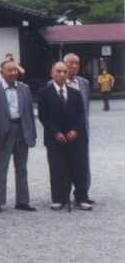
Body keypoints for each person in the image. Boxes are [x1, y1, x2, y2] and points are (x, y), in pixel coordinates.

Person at [37, 62, 91, 211]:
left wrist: (75, 130)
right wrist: (56, 132)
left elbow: (81, 114)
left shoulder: (75, 93)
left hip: (75, 137)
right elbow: (43, 116)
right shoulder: (44, 93)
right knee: (57, 168)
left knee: (79, 167)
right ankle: (58, 198)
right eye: (58, 71)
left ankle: (81, 197)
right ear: (52, 73)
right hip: (55, 137)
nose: (62, 74)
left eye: (65, 72)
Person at [0, 59, 37, 213]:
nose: (14, 73)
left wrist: (33, 134)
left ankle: (23, 201)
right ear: (2, 73)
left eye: (15, 70)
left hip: (22, 130)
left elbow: (29, 112)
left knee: (22, 168)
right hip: (4, 132)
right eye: (10, 70)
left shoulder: (24, 89)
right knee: (1, 168)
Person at [63, 53, 93, 203]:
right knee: (64, 163)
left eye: (77, 63)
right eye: (71, 63)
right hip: (64, 132)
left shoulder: (84, 83)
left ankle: (82, 194)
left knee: (83, 164)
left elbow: (86, 108)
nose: (74, 66)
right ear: (64, 64)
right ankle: (63, 195)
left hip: (81, 130)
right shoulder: (56, 83)